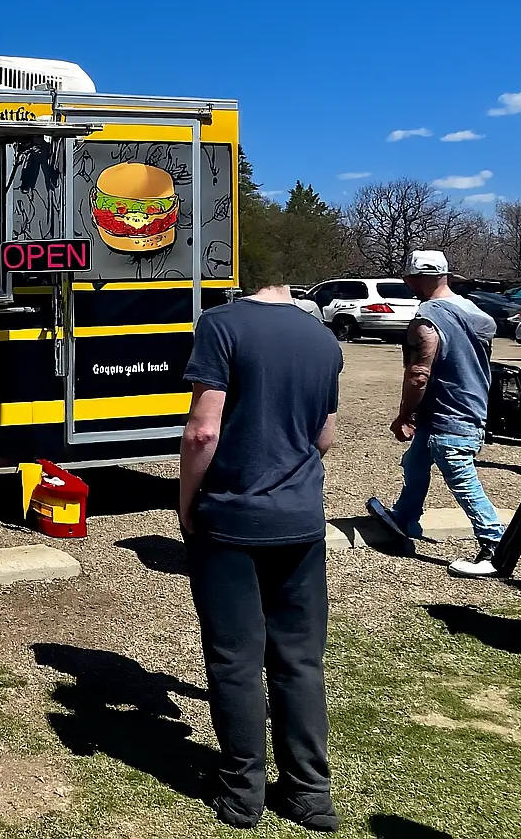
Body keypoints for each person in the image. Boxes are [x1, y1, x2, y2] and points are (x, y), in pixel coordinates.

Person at [180, 274, 343, 831]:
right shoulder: (324, 338)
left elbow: (204, 432)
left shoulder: (220, 326)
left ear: (242, 279)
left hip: (231, 518)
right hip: (301, 520)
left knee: (235, 660)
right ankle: (310, 793)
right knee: (300, 659)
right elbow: (324, 436)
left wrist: (185, 502)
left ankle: (242, 792)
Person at [366, 250, 506, 578]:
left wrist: (404, 415)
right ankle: (404, 517)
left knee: (461, 477)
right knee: (415, 462)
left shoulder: (428, 319)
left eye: (409, 278)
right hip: (463, 406)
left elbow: (418, 373)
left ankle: (496, 545)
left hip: (451, 415)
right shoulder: (471, 310)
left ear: (414, 279)